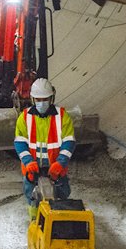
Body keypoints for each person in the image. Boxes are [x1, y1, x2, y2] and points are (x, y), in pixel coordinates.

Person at [14, 78, 75, 220]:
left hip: (56, 167)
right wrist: (28, 162)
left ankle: (58, 223)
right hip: (33, 168)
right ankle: (35, 222)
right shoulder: (24, 118)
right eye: (39, 99)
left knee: (63, 194)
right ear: (33, 99)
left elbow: (69, 142)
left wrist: (60, 163)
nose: (42, 103)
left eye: (45, 99)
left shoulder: (62, 117)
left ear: (51, 98)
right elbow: (20, 143)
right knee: (32, 197)